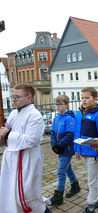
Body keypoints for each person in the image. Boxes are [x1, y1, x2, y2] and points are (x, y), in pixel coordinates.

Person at [0, 83, 51, 213]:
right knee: (11, 189)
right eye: (13, 96)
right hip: (12, 156)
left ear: (29, 97)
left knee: (26, 193)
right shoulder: (13, 113)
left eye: (17, 97)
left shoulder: (35, 115)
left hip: (27, 157)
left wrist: (8, 134)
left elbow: (31, 140)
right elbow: (7, 128)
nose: (14, 99)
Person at [74, 87, 98, 213]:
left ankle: (91, 205)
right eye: (82, 97)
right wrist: (76, 149)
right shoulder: (79, 113)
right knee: (95, 175)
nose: (84, 100)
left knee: (91, 180)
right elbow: (77, 132)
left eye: (87, 98)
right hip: (83, 152)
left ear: (95, 98)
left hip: (94, 153)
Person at [49, 94, 80, 206]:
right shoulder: (56, 118)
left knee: (60, 171)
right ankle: (75, 184)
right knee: (67, 168)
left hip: (66, 149)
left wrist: (60, 145)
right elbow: (52, 132)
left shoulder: (69, 118)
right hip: (59, 148)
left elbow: (70, 134)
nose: (57, 106)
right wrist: (54, 144)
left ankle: (59, 194)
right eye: (56, 104)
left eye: (60, 104)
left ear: (66, 105)